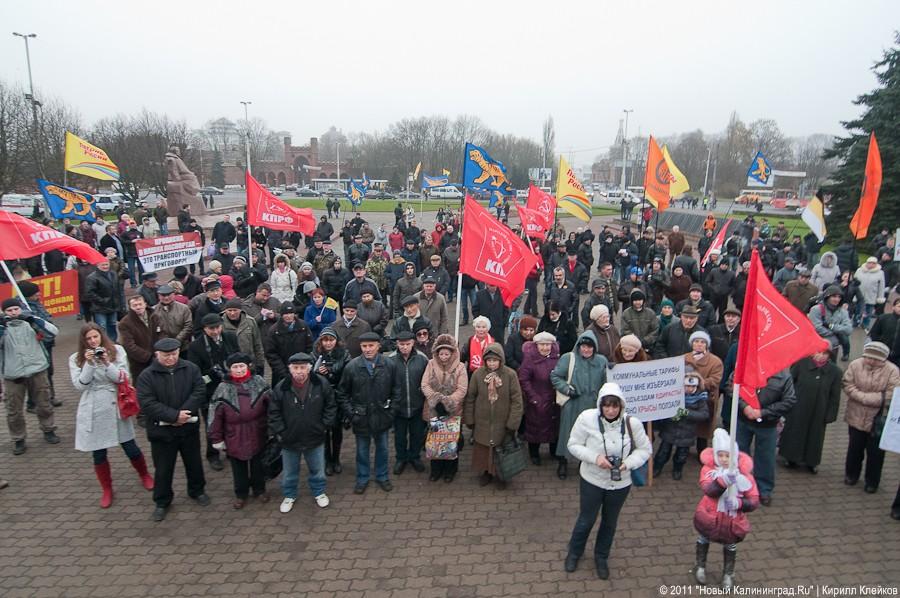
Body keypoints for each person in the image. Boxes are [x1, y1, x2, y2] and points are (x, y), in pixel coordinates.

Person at [564, 382, 651, 579]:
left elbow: (645, 449)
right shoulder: (586, 418)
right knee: (586, 519)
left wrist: (627, 464)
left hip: (620, 483)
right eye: (606, 406)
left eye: (615, 406)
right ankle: (574, 552)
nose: (610, 411)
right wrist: (595, 458)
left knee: (610, 521)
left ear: (621, 406)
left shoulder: (632, 423)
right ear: (600, 405)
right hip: (592, 480)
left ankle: (601, 556)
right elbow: (573, 444)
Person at [70, 323, 153, 507]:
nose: (93, 341)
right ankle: (106, 489)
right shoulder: (76, 358)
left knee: (130, 446)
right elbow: (80, 385)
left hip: (115, 404)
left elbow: (123, 378)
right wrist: (89, 364)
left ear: (101, 336)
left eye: (95, 337)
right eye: (88, 339)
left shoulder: (117, 350)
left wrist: (107, 362)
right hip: (93, 407)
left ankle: (145, 474)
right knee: (99, 453)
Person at [136, 338, 209, 522]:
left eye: (174, 354)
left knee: (194, 463)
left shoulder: (191, 369)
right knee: (163, 468)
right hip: (162, 433)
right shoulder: (146, 376)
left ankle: (197, 491)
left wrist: (184, 414)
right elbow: (147, 403)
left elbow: (199, 391)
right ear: (157, 355)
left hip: (188, 428)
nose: (171, 358)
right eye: (166, 355)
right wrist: (173, 416)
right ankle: (162, 501)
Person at [267, 351, 336, 513]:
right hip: (290, 438)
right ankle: (289, 495)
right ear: (290, 369)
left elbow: (331, 406)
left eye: (303, 367)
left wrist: (324, 426)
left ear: (309, 368)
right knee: (290, 472)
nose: (299, 371)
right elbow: (273, 412)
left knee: (317, 470)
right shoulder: (281, 387)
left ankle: (319, 492)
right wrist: (281, 431)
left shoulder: (321, 384)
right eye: (296, 368)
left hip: (315, 436)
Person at [692, 428, 760, 589]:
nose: (724, 459)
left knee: (730, 545)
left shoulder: (745, 476)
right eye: (720, 455)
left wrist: (740, 504)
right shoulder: (708, 471)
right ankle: (700, 566)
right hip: (709, 517)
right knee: (703, 539)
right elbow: (709, 490)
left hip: (732, 521)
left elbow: (754, 500)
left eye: (727, 456)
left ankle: (728, 573)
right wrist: (722, 481)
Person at [339, 332, 400, 494]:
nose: (367, 349)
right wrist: (352, 414)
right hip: (361, 417)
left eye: (371, 345)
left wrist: (391, 412)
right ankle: (362, 478)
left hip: (382, 415)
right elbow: (342, 394)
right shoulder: (352, 367)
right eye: (364, 346)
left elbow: (397, 390)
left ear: (378, 346)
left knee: (383, 449)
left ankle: (382, 476)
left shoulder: (389, 365)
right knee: (361, 450)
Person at [207, 353, 270, 509]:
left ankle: (259, 490)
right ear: (230, 369)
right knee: (238, 467)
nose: (239, 370)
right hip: (234, 434)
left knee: (258, 464)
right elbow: (215, 414)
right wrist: (216, 438)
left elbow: (272, 406)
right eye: (235, 367)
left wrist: (273, 427)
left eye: (242, 366)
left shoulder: (259, 382)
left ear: (248, 366)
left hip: (257, 431)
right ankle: (241, 494)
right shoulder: (223, 388)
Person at [1, 298, 59, 455]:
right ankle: (18, 438)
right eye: (9, 310)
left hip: (37, 370)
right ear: (4, 312)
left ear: (21, 309)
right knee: (14, 410)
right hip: (13, 374)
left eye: (16, 309)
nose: (13, 313)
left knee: (44, 403)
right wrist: (2, 327)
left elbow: (52, 332)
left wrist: (34, 320)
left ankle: (48, 429)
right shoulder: (3, 327)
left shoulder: (31, 321)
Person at [842, 341, 900, 493]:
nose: (871, 361)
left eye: (876, 359)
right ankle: (851, 475)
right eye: (869, 357)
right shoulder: (855, 365)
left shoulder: (893, 371)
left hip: (878, 419)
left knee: (876, 453)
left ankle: (872, 481)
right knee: (854, 449)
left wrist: (866, 398)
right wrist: (861, 396)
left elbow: (892, 393)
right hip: (855, 414)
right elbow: (847, 384)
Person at [463, 343, 523, 489]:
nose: (491, 363)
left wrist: (512, 424)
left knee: (499, 448)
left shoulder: (510, 375)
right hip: (482, 420)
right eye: (489, 360)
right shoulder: (478, 374)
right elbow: (470, 398)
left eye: (495, 360)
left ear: (501, 360)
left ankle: (500, 474)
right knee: (483, 448)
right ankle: (486, 472)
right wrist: (469, 419)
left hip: (502, 420)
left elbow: (517, 401)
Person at [186, 313, 240, 471]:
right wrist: (211, 374)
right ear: (204, 329)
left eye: (217, 327)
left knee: (231, 421)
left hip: (231, 387)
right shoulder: (196, 346)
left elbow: (238, 357)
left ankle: (230, 448)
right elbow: (195, 374)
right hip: (210, 391)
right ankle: (213, 455)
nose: (215, 331)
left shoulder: (230, 337)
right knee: (212, 424)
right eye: (211, 329)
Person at [734, 366, 795, 506]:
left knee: (766, 458)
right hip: (743, 420)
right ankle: (740, 485)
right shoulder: (747, 366)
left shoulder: (784, 376)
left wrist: (763, 412)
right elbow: (732, 386)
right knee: (740, 454)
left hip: (768, 424)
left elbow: (789, 400)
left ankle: (764, 490)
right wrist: (745, 406)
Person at [552, 331, 608, 480]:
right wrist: (567, 390)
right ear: (579, 346)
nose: (586, 350)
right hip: (573, 403)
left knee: (590, 435)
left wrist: (612, 370)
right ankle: (563, 461)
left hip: (592, 405)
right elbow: (555, 376)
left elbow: (606, 380)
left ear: (595, 348)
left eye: (590, 347)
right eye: (583, 346)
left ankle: (584, 462)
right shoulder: (568, 358)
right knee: (567, 434)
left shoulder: (601, 361)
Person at [778, 345, 842, 473]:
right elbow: (789, 384)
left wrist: (830, 414)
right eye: (818, 352)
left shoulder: (835, 372)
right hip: (798, 406)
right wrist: (785, 403)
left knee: (815, 436)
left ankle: (812, 461)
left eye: (825, 353)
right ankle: (790, 458)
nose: (820, 356)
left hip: (820, 410)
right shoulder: (801, 364)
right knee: (794, 432)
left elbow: (835, 395)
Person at [421, 334, 468, 482]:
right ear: (437, 353)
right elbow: (424, 384)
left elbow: (462, 389)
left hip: (453, 410)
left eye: (447, 354)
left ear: (452, 353)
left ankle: (450, 470)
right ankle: (436, 470)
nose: (444, 357)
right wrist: (435, 399)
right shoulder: (430, 364)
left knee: (451, 440)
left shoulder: (460, 367)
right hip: (434, 409)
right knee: (435, 440)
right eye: (441, 353)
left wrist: (448, 402)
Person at [518, 331, 563, 473]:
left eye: (548, 345)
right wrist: (533, 397)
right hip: (537, 399)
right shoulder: (530, 359)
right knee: (535, 428)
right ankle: (534, 453)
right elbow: (524, 379)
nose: (545, 348)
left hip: (554, 399)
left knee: (554, 427)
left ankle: (553, 451)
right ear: (536, 345)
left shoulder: (557, 358)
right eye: (542, 345)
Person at [654, 368, 709, 479]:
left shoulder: (700, 399)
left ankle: (677, 469)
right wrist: (670, 416)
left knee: (681, 455)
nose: (689, 389)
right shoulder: (672, 395)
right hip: (670, 430)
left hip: (687, 433)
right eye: (687, 386)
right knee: (663, 452)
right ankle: (657, 467)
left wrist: (687, 413)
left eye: (692, 386)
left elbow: (704, 415)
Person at [391, 331, 429, 475]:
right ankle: (400, 458)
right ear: (397, 344)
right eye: (401, 344)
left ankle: (414, 457)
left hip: (417, 405)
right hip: (398, 406)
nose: (404, 347)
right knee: (399, 436)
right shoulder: (391, 360)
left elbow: (427, 380)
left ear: (413, 343)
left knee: (417, 434)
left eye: (407, 344)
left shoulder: (422, 358)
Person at [312, 329, 349, 475]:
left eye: (331, 340)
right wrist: (318, 372)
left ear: (336, 341)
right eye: (325, 340)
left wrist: (330, 372)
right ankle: (327, 460)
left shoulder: (344, 354)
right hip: (322, 396)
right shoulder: (315, 355)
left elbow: (347, 374)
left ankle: (336, 459)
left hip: (338, 394)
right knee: (324, 430)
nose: (328, 343)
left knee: (337, 430)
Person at [684, 331, 724, 454]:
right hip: (686, 398)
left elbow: (715, 380)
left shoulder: (715, 361)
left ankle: (702, 453)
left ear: (707, 345)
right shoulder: (684, 358)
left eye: (702, 342)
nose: (699, 344)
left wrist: (696, 384)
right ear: (692, 344)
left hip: (705, 399)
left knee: (703, 429)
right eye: (696, 341)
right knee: (686, 426)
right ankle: (683, 451)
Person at [264, 302, 314, 387]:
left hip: (302, 370)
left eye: (291, 313)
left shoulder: (303, 326)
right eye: (286, 314)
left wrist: (304, 366)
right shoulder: (274, 331)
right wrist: (282, 371)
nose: (289, 316)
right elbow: (271, 353)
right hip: (281, 373)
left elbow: (309, 347)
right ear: (281, 315)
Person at [117, 295, 159, 386]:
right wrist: (148, 357)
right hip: (139, 363)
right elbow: (129, 345)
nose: (138, 307)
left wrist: (159, 351)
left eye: (140, 304)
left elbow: (162, 333)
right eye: (135, 305)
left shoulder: (154, 316)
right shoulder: (124, 323)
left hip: (158, 357)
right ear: (130, 307)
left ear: (145, 304)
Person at [808, 285, 853, 361]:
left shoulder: (843, 312)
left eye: (839, 297)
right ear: (827, 297)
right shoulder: (816, 309)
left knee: (831, 366)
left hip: (834, 347)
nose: (837, 299)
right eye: (834, 296)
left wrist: (832, 326)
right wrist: (836, 332)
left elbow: (848, 329)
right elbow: (817, 328)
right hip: (817, 346)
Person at [221, 298, 266, 375]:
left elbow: (257, 344)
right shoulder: (221, 323)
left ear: (240, 310)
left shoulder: (250, 322)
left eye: (235, 310)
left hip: (249, 363)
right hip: (229, 365)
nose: (232, 313)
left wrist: (260, 363)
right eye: (229, 310)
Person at [84, 258, 124, 341]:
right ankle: (103, 342)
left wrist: (119, 303)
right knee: (101, 327)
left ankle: (112, 342)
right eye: (103, 265)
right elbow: (89, 293)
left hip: (113, 306)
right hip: (100, 308)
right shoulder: (92, 278)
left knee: (112, 325)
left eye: (106, 264)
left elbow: (118, 290)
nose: (105, 266)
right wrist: (102, 301)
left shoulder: (113, 274)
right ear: (97, 265)